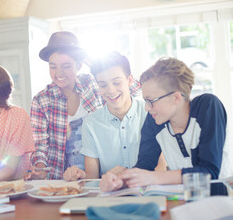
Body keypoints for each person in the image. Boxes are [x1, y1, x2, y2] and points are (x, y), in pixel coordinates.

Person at [100, 57, 228, 192]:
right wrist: (121, 181)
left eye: (151, 100)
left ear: (176, 98)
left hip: (221, 200)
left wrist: (154, 177)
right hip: (182, 200)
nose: (147, 108)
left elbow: (209, 172)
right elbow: (144, 166)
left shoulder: (208, 106)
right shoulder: (155, 120)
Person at [25, 32, 140, 180]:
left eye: (66, 66)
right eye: (53, 67)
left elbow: (135, 89)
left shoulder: (91, 82)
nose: (58, 73)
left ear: (79, 65)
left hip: (102, 173)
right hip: (63, 178)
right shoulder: (41, 100)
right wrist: (40, 169)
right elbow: (39, 145)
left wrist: (96, 64)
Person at [63, 52, 166, 181]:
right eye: (103, 85)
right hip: (111, 195)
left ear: (129, 80)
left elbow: (161, 169)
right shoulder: (91, 123)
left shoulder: (151, 114)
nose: (110, 90)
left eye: (116, 82)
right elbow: (92, 177)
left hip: (148, 191)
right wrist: (78, 175)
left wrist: (124, 176)